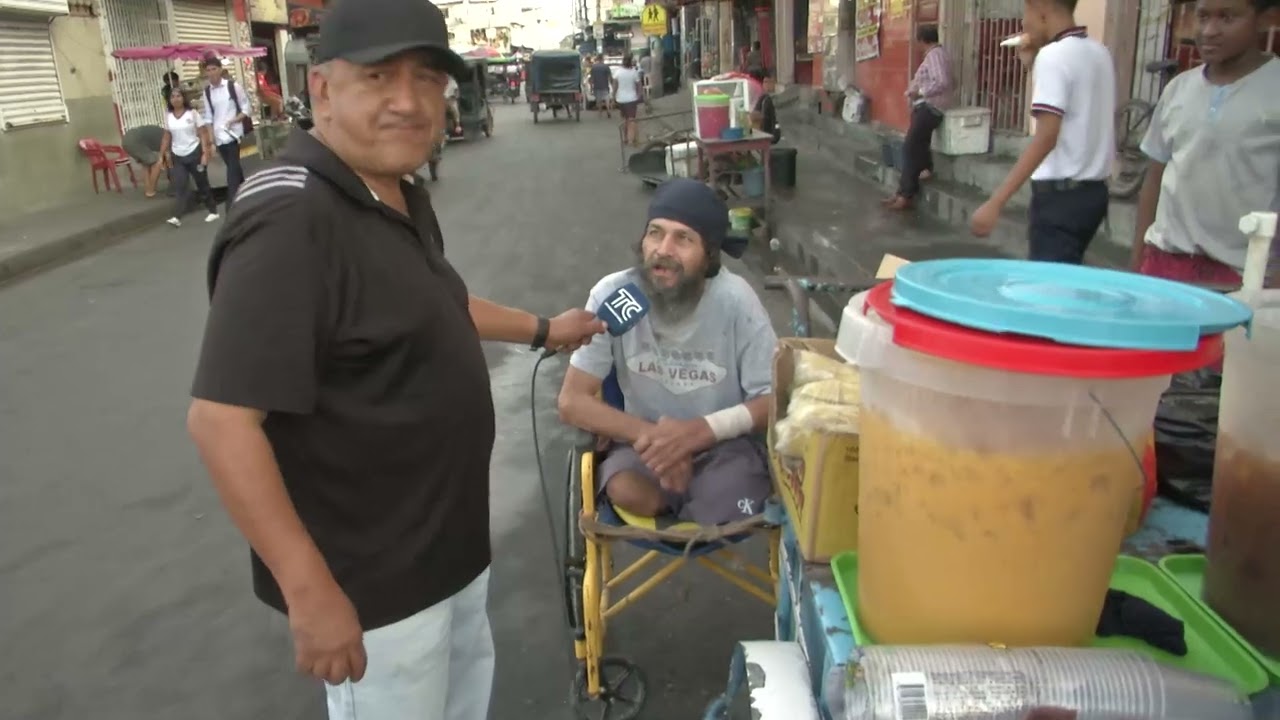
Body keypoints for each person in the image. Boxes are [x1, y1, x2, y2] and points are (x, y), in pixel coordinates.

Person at [185, 0, 606, 718]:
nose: (408, 102)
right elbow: (222, 421)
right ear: (322, 89)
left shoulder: (393, 193)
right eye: (379, 78)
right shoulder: (292, 219)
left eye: (427, 80)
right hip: (375, 584)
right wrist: (309, 590)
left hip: (446, 549)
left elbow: (437, 304)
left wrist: (543, 329)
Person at [558, 178, 777, 525]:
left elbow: (772, 400)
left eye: (684, 239)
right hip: (641, 446)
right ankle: (678, 509)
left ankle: (695, 508)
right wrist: (659, 440)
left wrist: (698, 433)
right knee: (625, 489)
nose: (663, 250)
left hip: (722, 447)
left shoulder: (737, 301)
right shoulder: (613, 296)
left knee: (737, 497)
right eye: (655, 233)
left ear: (709, 257)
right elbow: (572, 401)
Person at [1133, 0, 1280, 287]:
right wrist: (1137, 262)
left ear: (1266, 19)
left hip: (1240, 277)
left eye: (1227, 17)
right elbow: (1154, 179)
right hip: (1162, 265)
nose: (1209, 30)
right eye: (1202, 17)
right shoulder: (1178, 89)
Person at [969, 0, 1114, 265]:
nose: (1024, 22)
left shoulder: (1054, 57)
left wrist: (995, 202)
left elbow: (1046, 137)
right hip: (1093, 196)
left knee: (1049, 292)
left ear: (1042, 10)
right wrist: (1031, 65)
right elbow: (1074, 110)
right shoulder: (1099, 52)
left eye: (1026, 11)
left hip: (1060, 201)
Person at [884, 25, 953, 211]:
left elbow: (942, 81)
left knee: (910, 147)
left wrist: (920, 92)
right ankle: (917, 177)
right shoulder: (935, 55)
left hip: (931, 107)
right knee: (919, 144)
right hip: (925, 107)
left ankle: (906, 193)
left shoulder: (935, 55)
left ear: (922, 40)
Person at [158, 86, 218, 227]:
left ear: (183, 98)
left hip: (194, 152)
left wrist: (205, 153)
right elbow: (166, 137)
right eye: (173, 96)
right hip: (177, 155)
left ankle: (213, 210)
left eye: (178, 96)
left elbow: (202, 133)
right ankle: (176, 216)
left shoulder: (192, 114)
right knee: (180, 185)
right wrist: (161, 156)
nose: (176, 99)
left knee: (202, 183)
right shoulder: (168, 116)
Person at [199, 55, 251, 208]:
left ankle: (231, 204)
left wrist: (234, 120)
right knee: (233, 167)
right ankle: (246, 193)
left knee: (232, 168)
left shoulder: (233, 87)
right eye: (208, 70)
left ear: (220, 69)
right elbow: (208, 116)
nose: (211, 72)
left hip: (234, 134)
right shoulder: (207, 92)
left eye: (214, 69)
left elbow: (246, 108)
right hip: (219, 136)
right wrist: (211, 138)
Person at [613, 53, 644, 146]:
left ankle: (625, 138)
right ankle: (631, 140)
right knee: (632, 120)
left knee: (625, 120)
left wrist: (613, 97)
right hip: (631, 99)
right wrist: (639, 95)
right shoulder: (634, 72)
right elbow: (639, 86)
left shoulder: (617, 72)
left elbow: (615, 86)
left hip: (620, 99)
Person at [748, 68, 781, 144]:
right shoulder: (760, 92)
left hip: (757, 126)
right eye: (765, 82)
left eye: (768, 82)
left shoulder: (755, 88)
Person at [590, 54, 613, 118]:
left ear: (597, 59)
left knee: (599, 100)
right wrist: (611, 84)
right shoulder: (606, 67)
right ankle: (608, 110)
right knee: (606, 99)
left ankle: (600, 112)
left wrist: (591, 87)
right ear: (603, 59)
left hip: (597, 86)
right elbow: (610, 77)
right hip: (605, 85)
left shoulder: (594, 67)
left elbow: (592, 78)